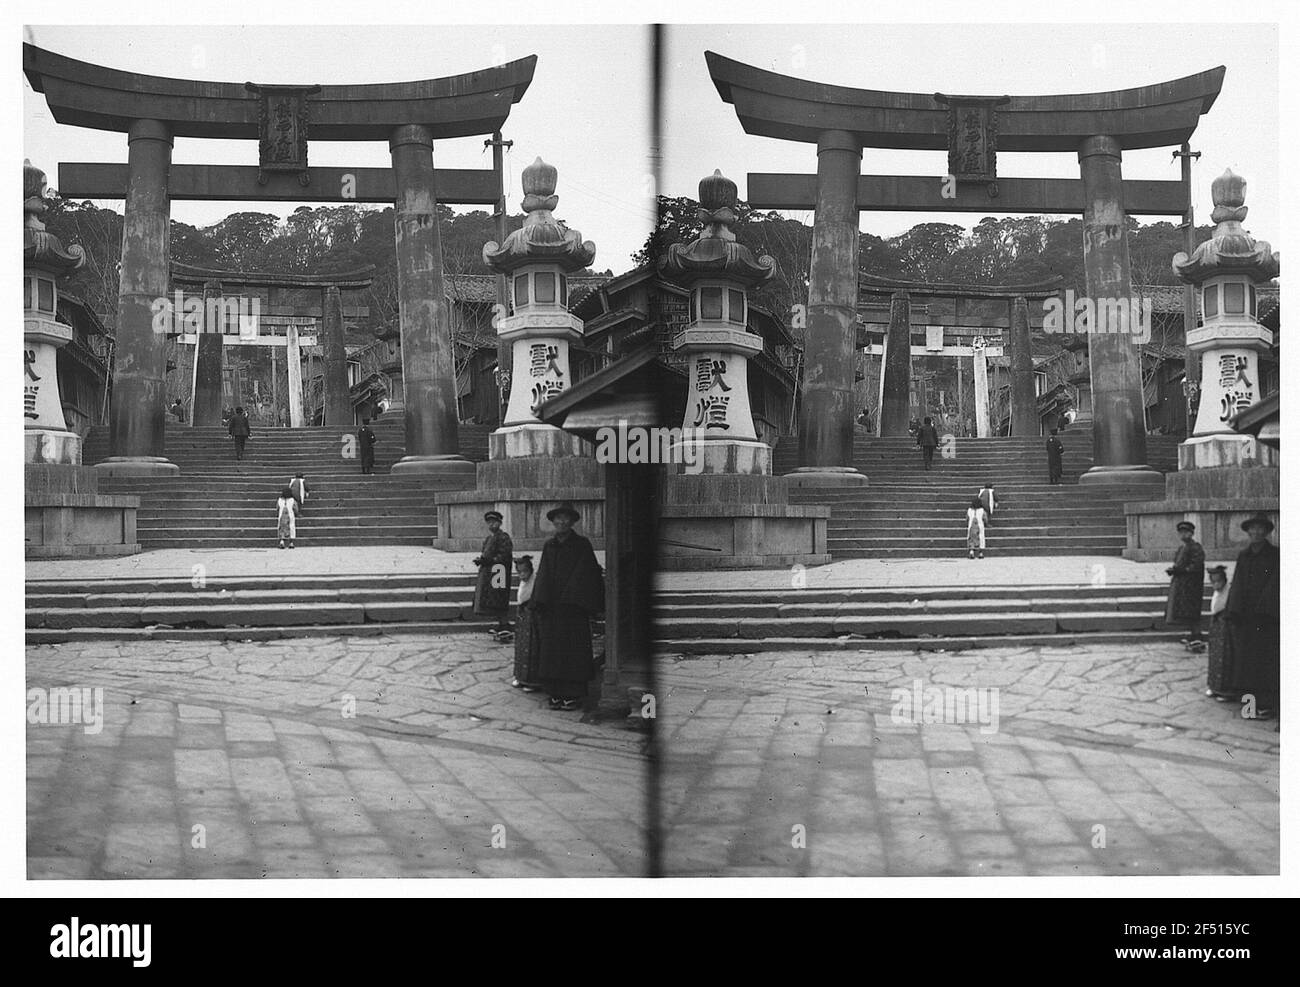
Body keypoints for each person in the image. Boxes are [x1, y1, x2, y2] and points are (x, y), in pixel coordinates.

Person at [533, 503, 605, 711]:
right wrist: (540, 599)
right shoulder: (550, 545)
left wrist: (571, 597)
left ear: (572, 522)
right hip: (553, 608)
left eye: (566, 519)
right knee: (552, 651)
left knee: (573, 651)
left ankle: (572, 694)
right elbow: (544, 572)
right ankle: (555, 692)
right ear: (553, 522)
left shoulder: (582, 544)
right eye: (558, 519)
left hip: (573, 608)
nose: (562, 522)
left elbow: (587, 573)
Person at [1225, 516, 1280, 719]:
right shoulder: (1244, 555)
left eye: (1260, 529)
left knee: (1265, 661)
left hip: (1266, 616)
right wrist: (1234, 609)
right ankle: (1249, 705)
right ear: (1248, 532)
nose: (1256, 532)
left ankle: (1267, 704)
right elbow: (1237, 582)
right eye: (1253, 529)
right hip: (1246, 616)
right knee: (1245, 661)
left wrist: (1265, 609)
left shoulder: (1276, 555)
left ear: (1266, 532)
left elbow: (1275, 585)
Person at [1165, 521, 1206, 651]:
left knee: (1192, 610)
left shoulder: (1196, 547)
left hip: (1192, 585)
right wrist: (1174, 569)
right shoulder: (1181, 548)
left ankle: (1197, 635)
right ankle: (1192, 634)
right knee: (1186, 610)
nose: (1184, 534)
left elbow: (1196, 565)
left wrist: (1182, 570)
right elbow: (1178, 563)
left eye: (1186, 532)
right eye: (1181, 532)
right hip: (1182, 585)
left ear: (1192, 533)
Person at [473, 511, 514, 636]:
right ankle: (500, 623)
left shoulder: (504, 537)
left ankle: (504, 623)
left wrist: (490, 560)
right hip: (490, 572)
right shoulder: (489, 538)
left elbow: (505, 555)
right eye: (489, 522)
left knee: (500, 596)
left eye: (494, 522)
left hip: (500, 571)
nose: (492, 525)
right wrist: (481, 560)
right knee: (493, 597)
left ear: (500, 523)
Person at [1205, 565, 1236, 701]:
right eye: (1213, 582)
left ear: (1224, 580)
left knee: (1226, 657)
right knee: (1215, 656)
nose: (1216, 585)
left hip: (1227, 628)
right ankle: (1214, 687)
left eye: (1219, 581)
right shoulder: (1217, 593)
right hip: (1217, 627)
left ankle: (1226, 691)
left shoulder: (1229, 592)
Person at [511, 555, 542, 692]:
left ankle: (532, 681)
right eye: (519, 572)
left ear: (531, 570)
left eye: (525, 572)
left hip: (533, 618)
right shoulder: (524, 584)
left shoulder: (535, 583)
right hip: (523, 619)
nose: (522, 575)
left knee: (532, 647)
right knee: (521, 645)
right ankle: (520, 676)